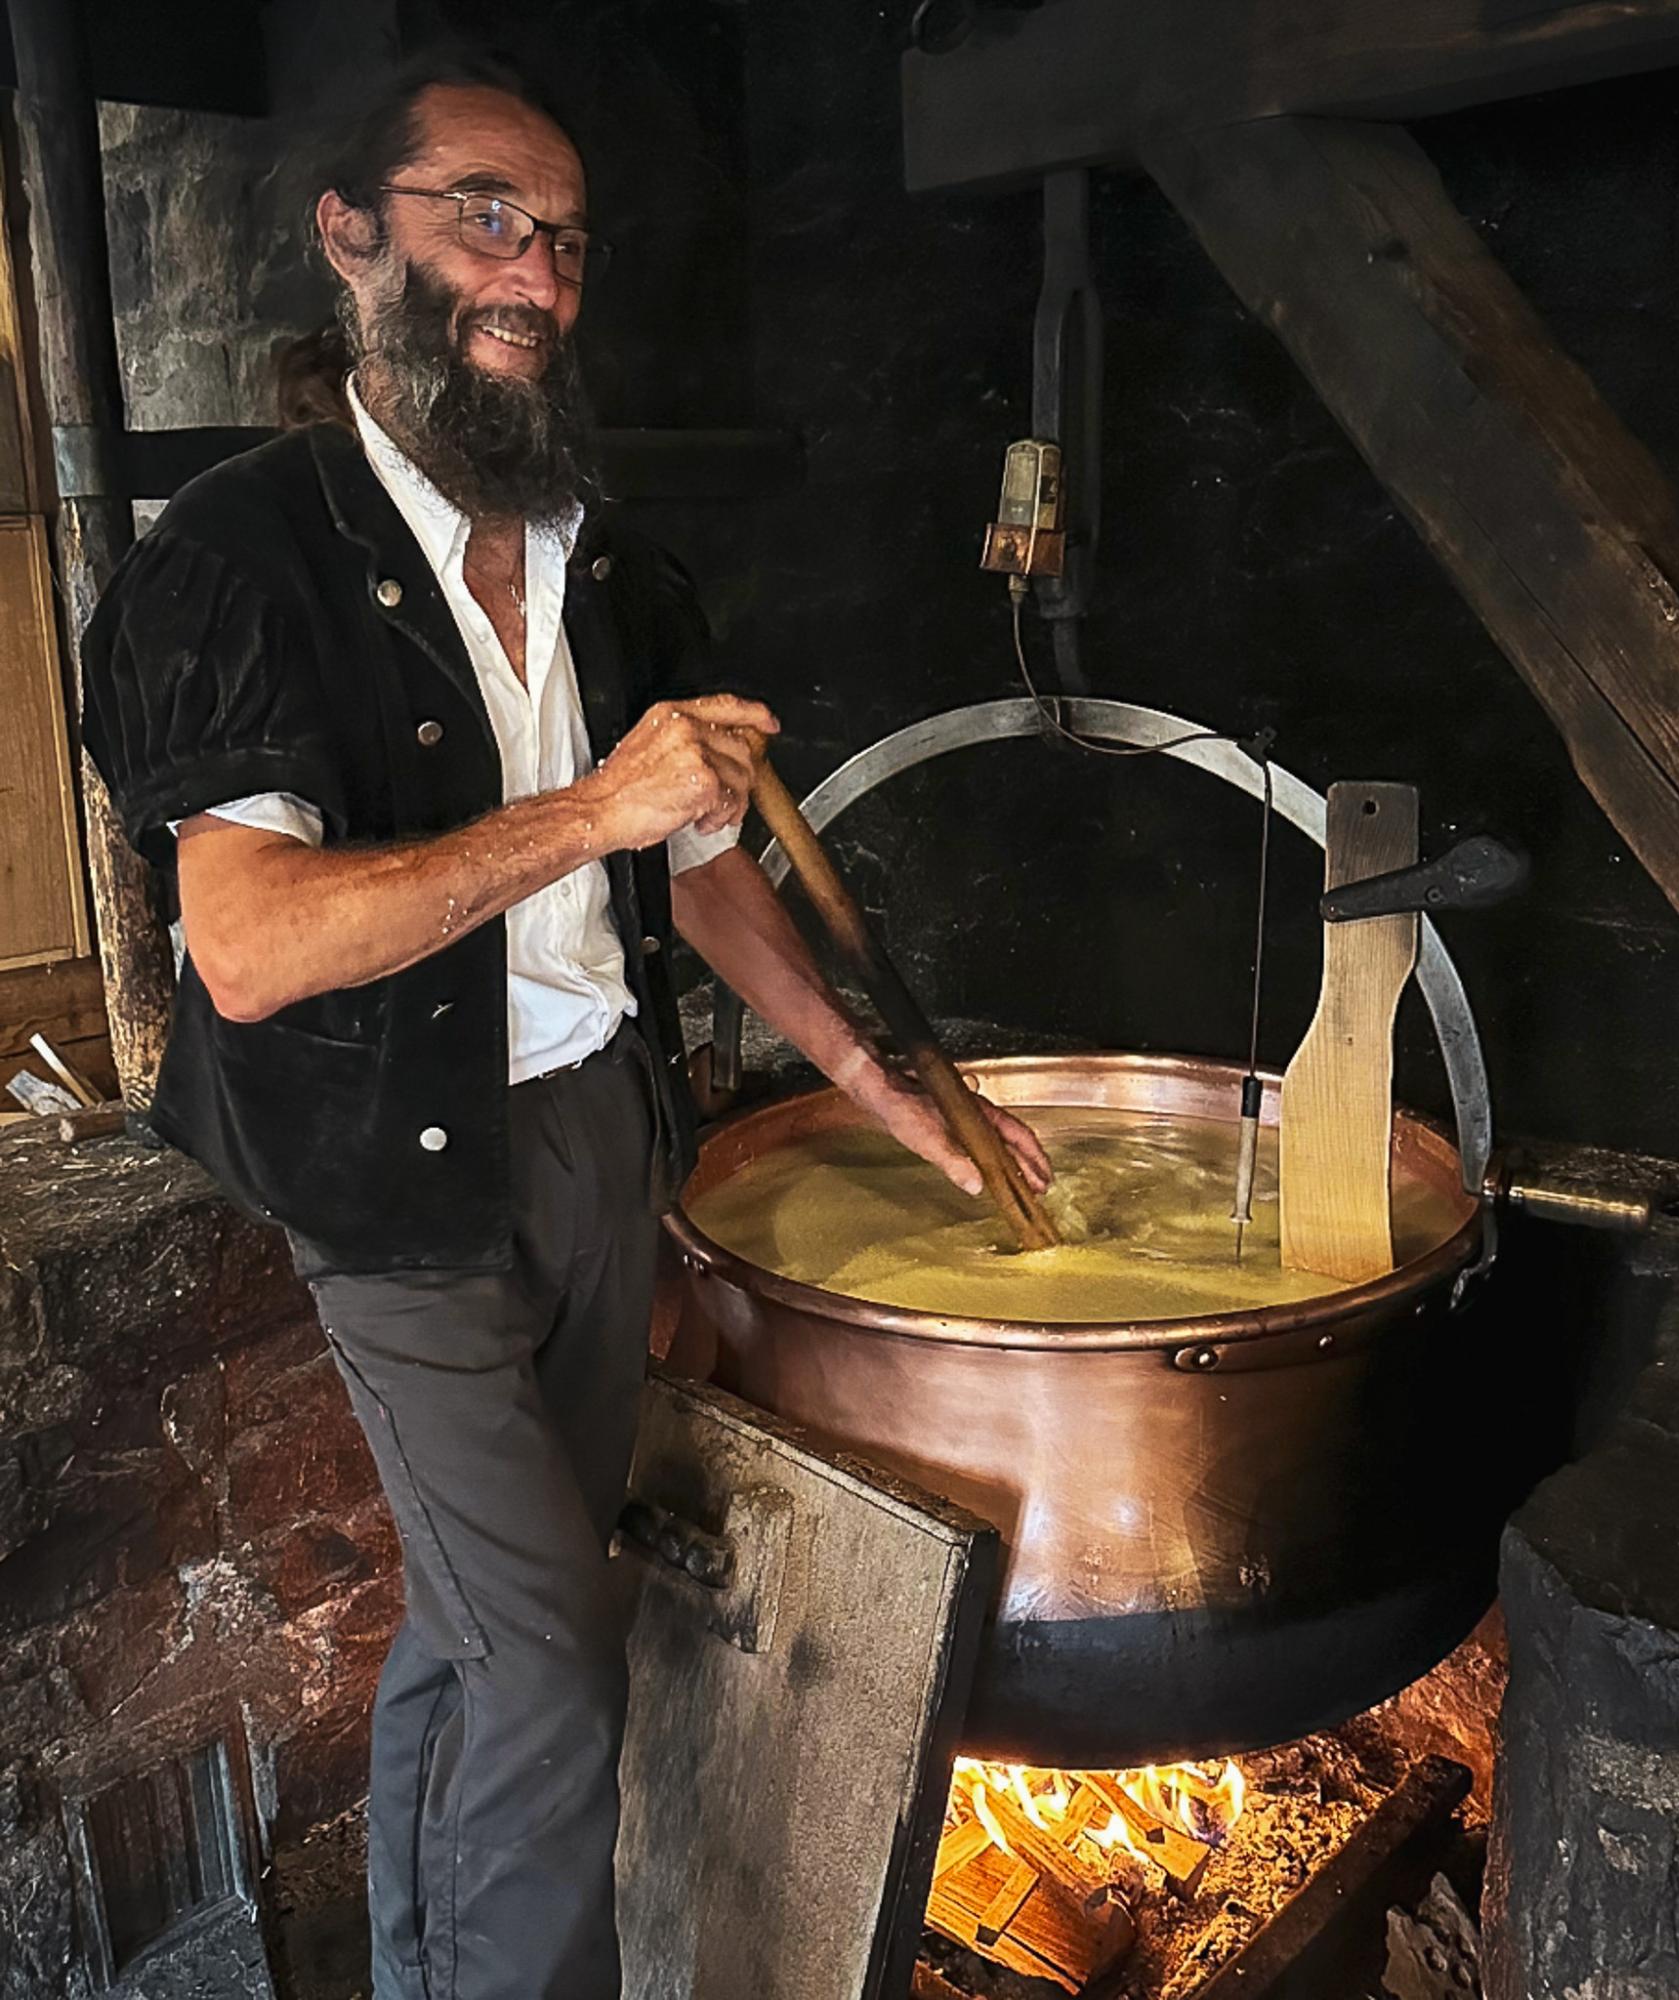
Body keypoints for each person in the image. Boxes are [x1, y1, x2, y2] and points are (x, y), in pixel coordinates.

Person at [80, 51, 1049, 2000]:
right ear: (351, 238)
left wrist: (886, 1087)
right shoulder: (236, 562)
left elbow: (697, 875)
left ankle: (430, 1971)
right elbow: (253, 948)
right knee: (555, 1665)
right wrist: (588, 811)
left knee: (474, 1631)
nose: (534, 271)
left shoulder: (611, 563)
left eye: (566, 238)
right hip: (390, 1173)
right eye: (482, 215)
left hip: (605, 1136)